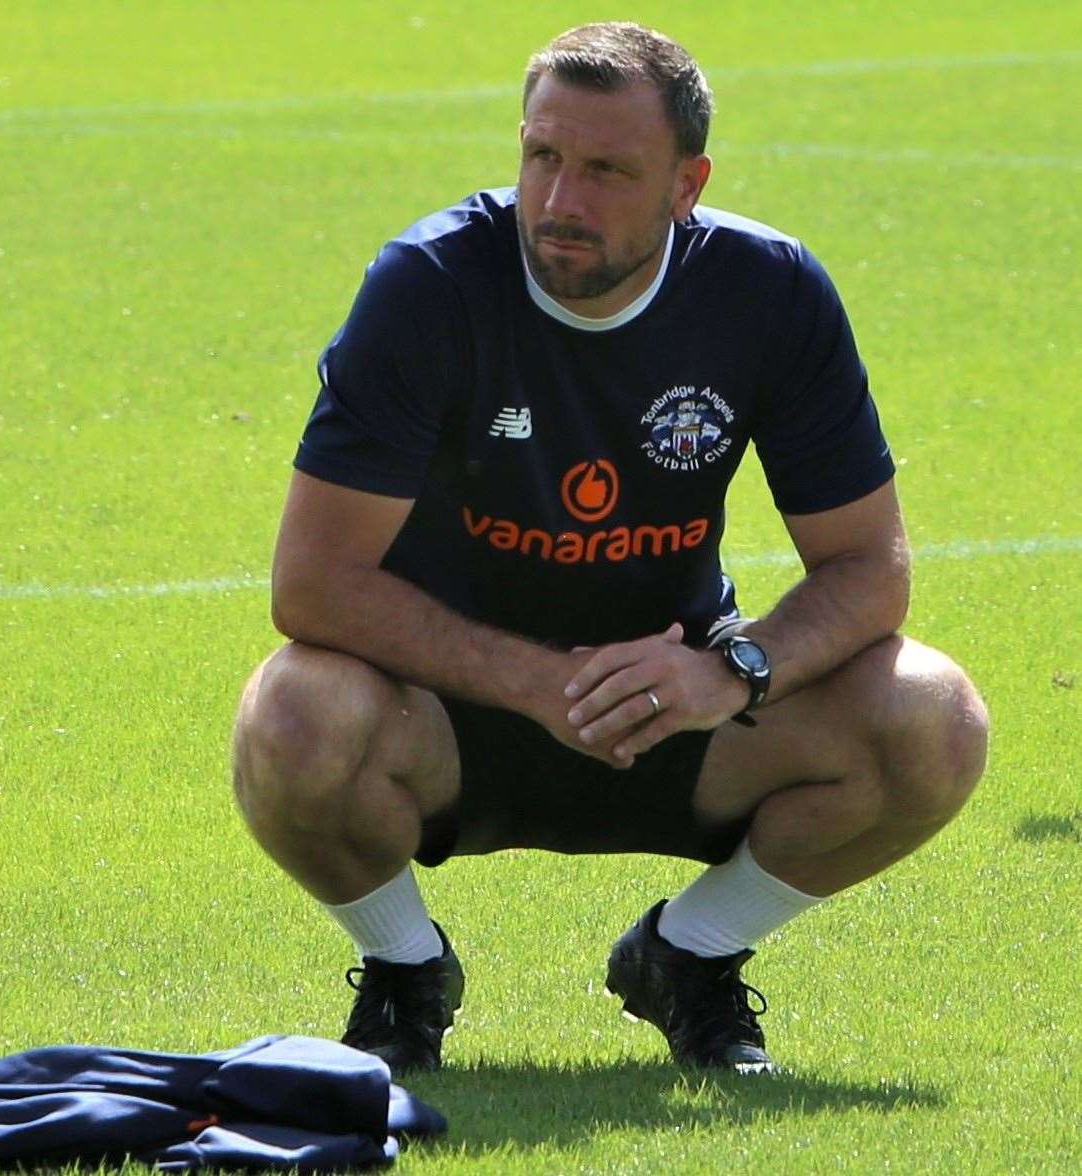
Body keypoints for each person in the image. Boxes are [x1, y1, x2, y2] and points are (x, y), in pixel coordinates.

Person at [231, 21, 989, 1076]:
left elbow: (870, 568)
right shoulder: (429, 285)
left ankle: (689, 957)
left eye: (604, 170)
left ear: (687, 184)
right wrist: (535, 681)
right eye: (541, 157)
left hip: (676, 709)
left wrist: (730, 672)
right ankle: (405, 974)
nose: (559, 201)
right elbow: (311, 584)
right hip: (450, 719)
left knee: (932, 720)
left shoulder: (767, 293)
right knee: (292, 715)